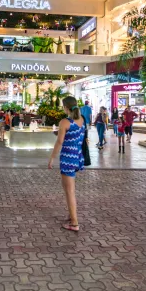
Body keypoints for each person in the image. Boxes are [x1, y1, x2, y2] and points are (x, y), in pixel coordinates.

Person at [48, 96, 85, 232]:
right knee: (69, 188)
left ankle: (74, 223)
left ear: (65, 107)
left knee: (69, 191)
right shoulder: (81, 120)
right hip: (77, 156)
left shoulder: (65, 121)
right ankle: (71, 215)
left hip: (67, 158)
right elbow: (75, 136)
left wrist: (52, 158)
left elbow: (60, 142)